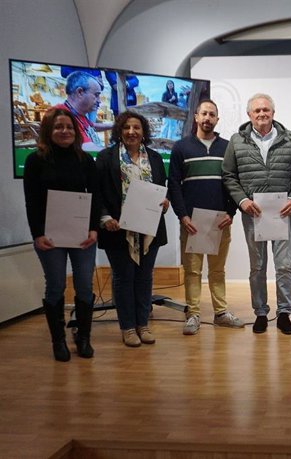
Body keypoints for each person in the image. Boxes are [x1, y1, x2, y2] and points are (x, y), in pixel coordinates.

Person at [222, 93, 291, 335]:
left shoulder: (289, 138)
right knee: (257, 267)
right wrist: (242, 201)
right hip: (253, 213)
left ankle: (284, 313)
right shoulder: (237, 141)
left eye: (266, 110)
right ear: (249, 115)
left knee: (283, 267)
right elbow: (229, 175)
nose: (262, 114)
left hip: (281, 212)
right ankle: (260, 312)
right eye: (257, 111)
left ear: (273, 113)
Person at [23, 108, 100, 361]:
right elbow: (31, 202)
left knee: (84, 287)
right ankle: (58, 341)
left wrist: (93, 228)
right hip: (50, 237)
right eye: (58, 127)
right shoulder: (35, 160)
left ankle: (84, 337)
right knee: (55, 286)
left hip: (83, 236)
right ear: (48, 131)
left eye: (68, 127)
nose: (64, 131)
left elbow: (95, 197)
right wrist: (37, 234)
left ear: (75, 131)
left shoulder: (85, 160)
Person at [168, 99, 243, 335]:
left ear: (217, 119)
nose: (208, 118)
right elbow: (174, 185)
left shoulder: (227, 147)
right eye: (204, 114)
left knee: (218, 271)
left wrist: (231, 213)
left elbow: (235, 183)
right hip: (192, 223)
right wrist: (182, 216)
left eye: (212, 114)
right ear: (196, 117)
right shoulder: (181, 147)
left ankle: (221, 313)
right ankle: (193, 314)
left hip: (220, 221)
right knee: (192, 271)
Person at [96, 111, 169, 347]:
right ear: (119, 130)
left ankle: (143, 325)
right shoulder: (106, 157)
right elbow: (98, 192)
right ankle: (128, 327)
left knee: (144, 278)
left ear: (143, 131)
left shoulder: (156, 159)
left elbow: (161, 189)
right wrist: (105, 217)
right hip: (118, 229)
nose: (131, 132)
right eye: (126, 127)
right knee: (123, 277)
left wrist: (165, 203)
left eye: (136, 127)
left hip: (149, 229)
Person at [54, 71, 112, 151]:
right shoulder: (62, 115)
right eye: (96, 95)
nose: (99, 101)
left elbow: (92, 126)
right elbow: (89, 148)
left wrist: (115, 125)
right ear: (80, 92)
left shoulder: (78, 113)